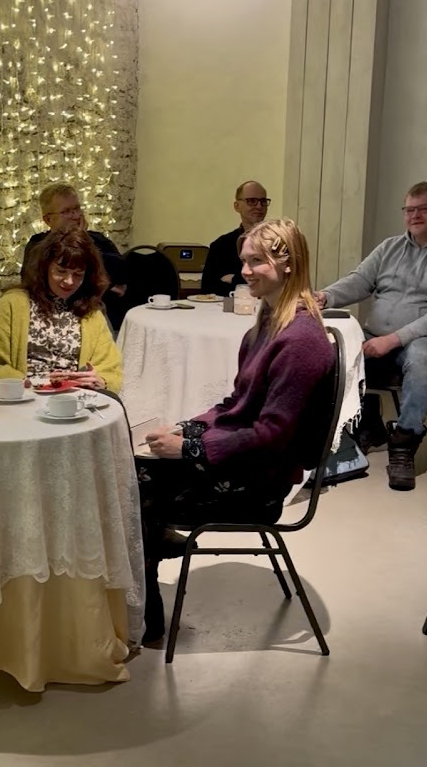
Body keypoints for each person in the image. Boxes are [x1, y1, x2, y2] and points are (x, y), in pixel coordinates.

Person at [139, 218, 335, 642]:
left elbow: (272, 435)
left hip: (261, 483)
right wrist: (187, 429)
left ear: (288, 264)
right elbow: (234, 406)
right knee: (134, 466)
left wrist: (189, 449)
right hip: (247, 460)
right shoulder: (267, 325)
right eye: (244, 261)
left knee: (135, 485)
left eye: (256, 262)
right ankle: (148, 551)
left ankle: (146, 611)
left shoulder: (301, 340)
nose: (245, 271)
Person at [317, 181, 427, 491]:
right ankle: (365, 422)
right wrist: (325, 296)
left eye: (423, 209)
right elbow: (360, 281)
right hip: (376, 332)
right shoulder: (390, 247)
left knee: (422, 358)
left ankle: (404, 443)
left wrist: (392, 339)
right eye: (409, 210)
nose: (414, 216)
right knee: (331, 347)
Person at [0, 228, 122, 393]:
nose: (69, 281)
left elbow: (111, 370)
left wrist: (100, 380)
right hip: (24, 396)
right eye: (61, 271)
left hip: (76, 398)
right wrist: (31, 383)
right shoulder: (13, 304)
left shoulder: (92, 314)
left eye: (78, 275)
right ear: (44, 267)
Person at [22, 183, 127, 330]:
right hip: (50, 318)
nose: (76, 216)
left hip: (97, 316)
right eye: (66, 211)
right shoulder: (38, 244)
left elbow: (122, 273)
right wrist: (107, 285)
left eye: (77, 209)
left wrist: (84, 241)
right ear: (48, 220)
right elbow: (34, 281)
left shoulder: (97, 239)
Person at [201, 180, 271, 296]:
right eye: (251, 201)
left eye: (263, 201)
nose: (259, 206)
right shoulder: (221, 246)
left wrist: (234, 279)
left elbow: (279, 281)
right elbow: (208, 290)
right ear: (237, 206)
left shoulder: (276, 242)